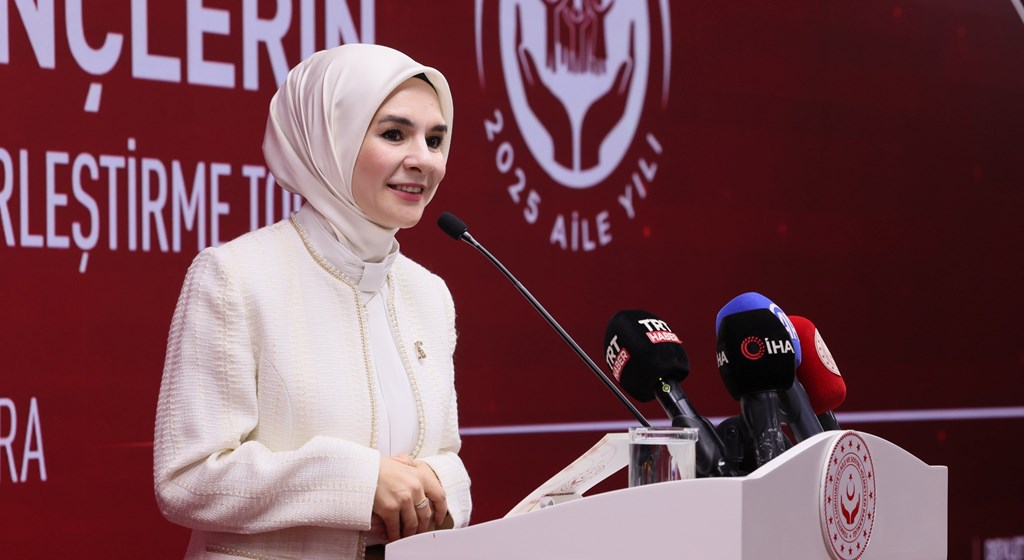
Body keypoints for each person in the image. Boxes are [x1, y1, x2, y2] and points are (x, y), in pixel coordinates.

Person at [153, 43, 471, 560]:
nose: (424, 160)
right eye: (394, 134)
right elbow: (187, 479)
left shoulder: (429, 294)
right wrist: (359, 482)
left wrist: (442, 485)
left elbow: (445, 457)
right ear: (331, 140)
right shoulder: (235, 276)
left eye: (435, 140)